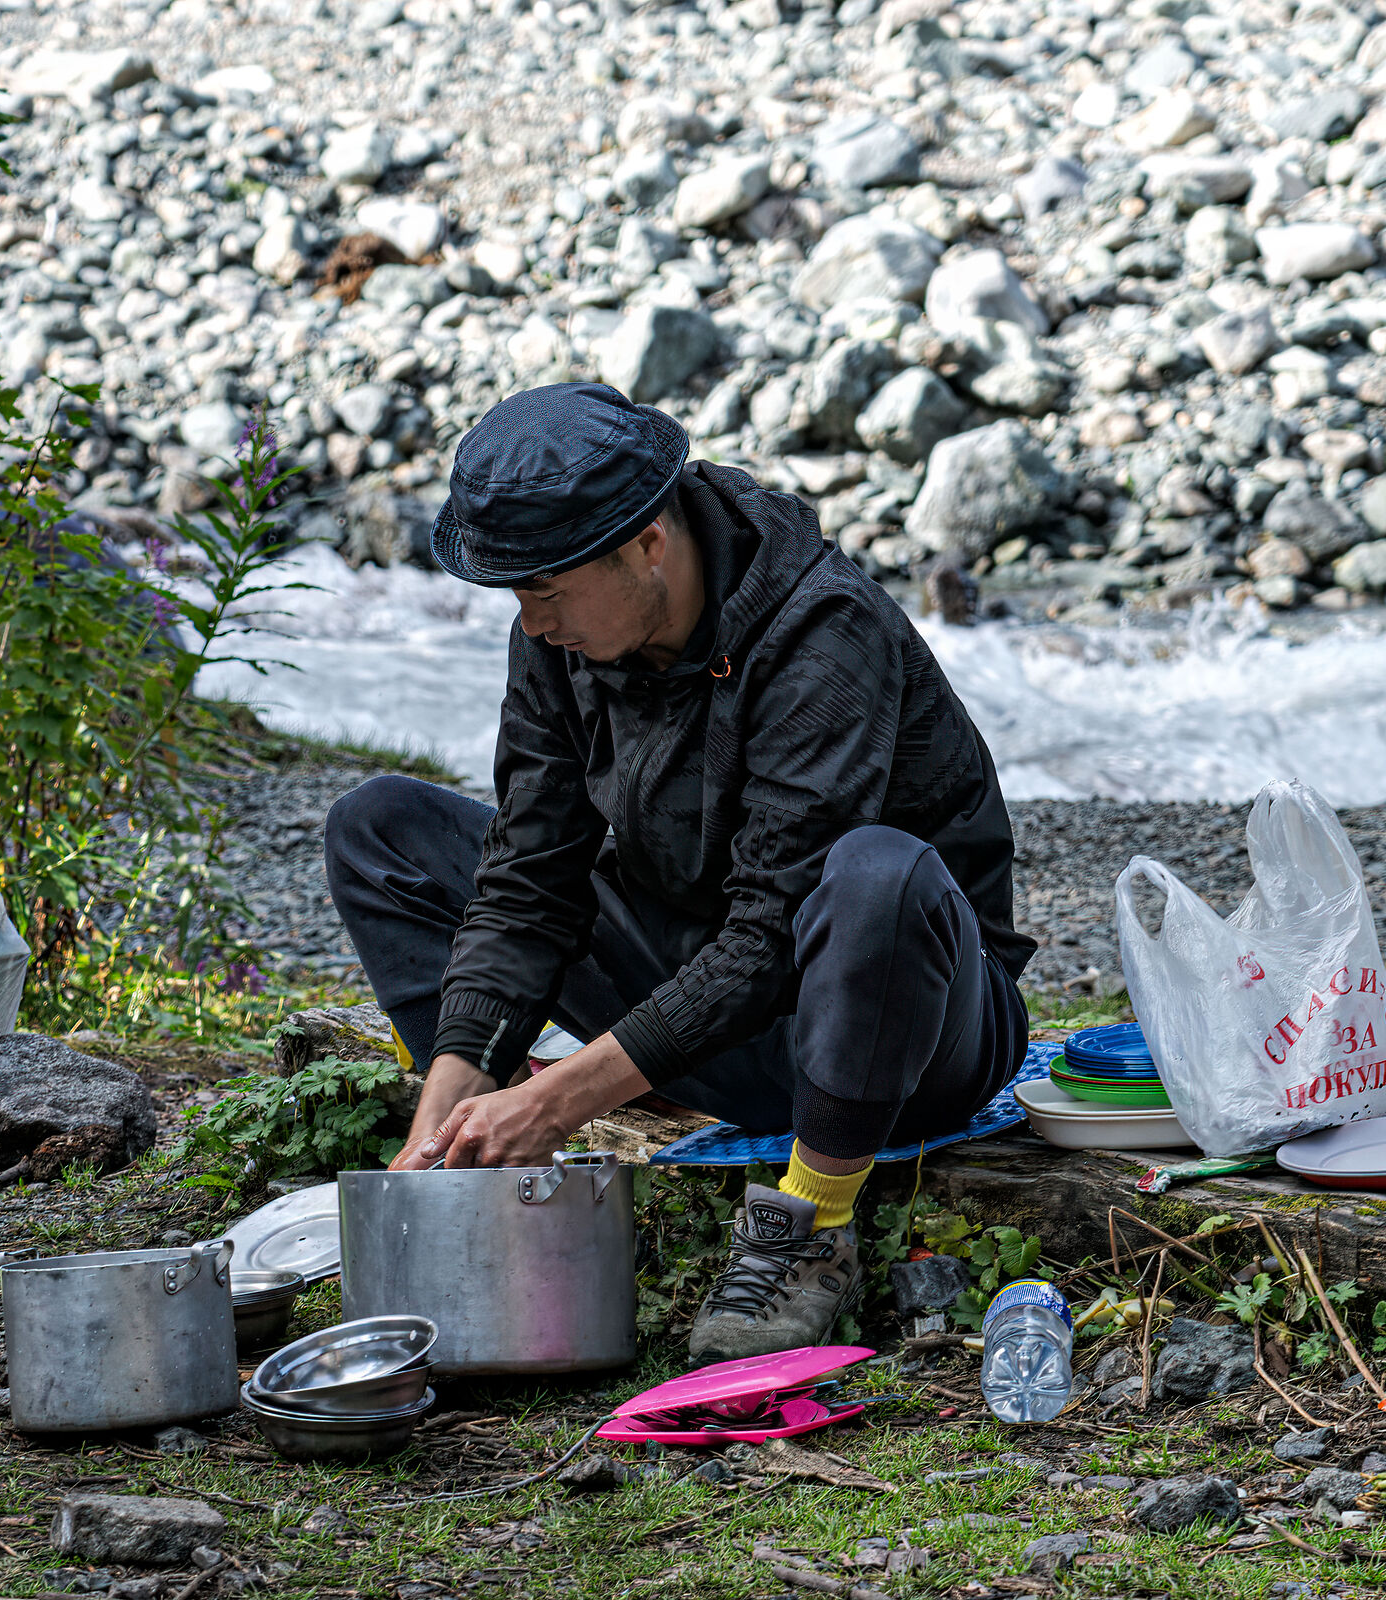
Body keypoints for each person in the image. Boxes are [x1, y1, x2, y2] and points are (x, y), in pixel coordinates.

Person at [324, 382, 1036, 1362]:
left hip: (909, 1035)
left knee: (880, 875)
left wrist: (565, 1094)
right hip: (718, 1006)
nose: (530, 623)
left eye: (543, 589)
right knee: (382, 828)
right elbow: (531, 877)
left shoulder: (825, 632)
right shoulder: (565, 630)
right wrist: (454, 1087)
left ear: (649, 542)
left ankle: (810, 1227)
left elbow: (771, 937)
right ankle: (478, 1166)